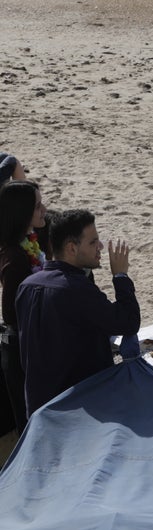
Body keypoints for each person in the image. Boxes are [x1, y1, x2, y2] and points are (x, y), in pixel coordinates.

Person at [15, 209, 141, 417]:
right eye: (93, 242)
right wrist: (120, 276)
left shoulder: (27, 286)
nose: (100, 247)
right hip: (75, 408)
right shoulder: (75, 288)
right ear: (72, 248)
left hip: (39, 407)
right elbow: (128, 322)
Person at [0, 180, 48, 433]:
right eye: (38, 205)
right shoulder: (16, 258)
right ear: (22, 213)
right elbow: (9, 313)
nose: (44, 210)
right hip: (22, 352)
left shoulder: (30, 242)